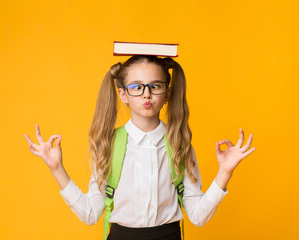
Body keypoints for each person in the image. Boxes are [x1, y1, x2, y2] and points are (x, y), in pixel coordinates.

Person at [24, 55, 256, 240]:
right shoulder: (109, 144)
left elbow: (197, 216)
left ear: (167, 93)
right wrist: (57, 169)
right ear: (123, 94)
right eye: (137, 87)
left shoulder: (179, 144)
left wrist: (224, 172)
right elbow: (90, 214)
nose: (146, 94)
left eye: (155, 86)